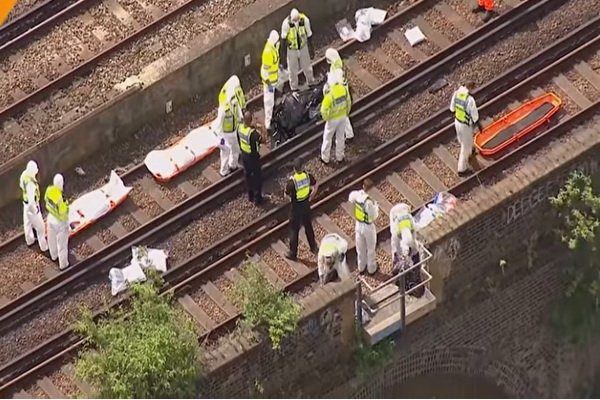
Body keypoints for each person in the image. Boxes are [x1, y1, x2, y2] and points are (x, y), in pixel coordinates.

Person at [285, 159, 318, 260]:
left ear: (294, 169)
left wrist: (290, 199)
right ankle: (313, 247)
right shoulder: (307, 176)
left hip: (296, 207)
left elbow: (286, 195)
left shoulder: (292, 181)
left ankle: (293, 253)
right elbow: (316, 185)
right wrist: (311, 196)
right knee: (308, 226)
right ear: (302, 167)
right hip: (306, 204)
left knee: (294, 230)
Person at [389, 202, 424, 297]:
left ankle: (409, 280)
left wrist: (413, 251)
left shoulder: (410, 222)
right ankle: (399, 281)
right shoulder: (396, 227)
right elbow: (396, 242)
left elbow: (412, 238)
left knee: (412, 255)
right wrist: (399, 254)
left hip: (407, 235)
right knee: (398, 258)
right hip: (395, 216)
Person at [215, 75, 246, 176]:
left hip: (233, 130)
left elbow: (238, 112)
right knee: (226, 151)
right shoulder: (223, 109)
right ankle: (223, 170)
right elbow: (218, 126)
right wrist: (221, 139)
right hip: (225, 133)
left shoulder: (234, 103)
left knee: (235, 147)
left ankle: (233, 165)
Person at [320, 70, 352, 164]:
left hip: (332, 119)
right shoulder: (343, 89)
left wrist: (327, 118)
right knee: (340, 137)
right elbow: (348, 102)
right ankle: (340, 157)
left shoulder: (330, 94)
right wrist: (346, 112)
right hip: (342, 117)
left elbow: (324, 110)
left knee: (327, 138)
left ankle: (325, 158)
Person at [348, 179, 379, 275]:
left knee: (360, 247)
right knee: (370, 248)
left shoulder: (356, 195)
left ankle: (361, 267)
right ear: (371, 189)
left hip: (358, 224)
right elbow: (373, 216)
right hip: (368, 227)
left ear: (363, 186)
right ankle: (371, 269)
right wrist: (376, 207)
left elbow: (350, 199)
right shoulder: (368, 202)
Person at [449, 83, 480, 176]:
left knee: (463, 141)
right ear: (470, 88)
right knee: (465, 146)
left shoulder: (456, 94)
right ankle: (462, 169)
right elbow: (475, 117)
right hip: (465, 125)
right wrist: (477, 124)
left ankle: (471, 150)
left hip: (457, 122)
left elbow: (452, 109)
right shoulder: (470, 100)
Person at [281, 8, 315, 91]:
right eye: (294, 20)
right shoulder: (286, 24)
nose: (295, 21)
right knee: (292, 70)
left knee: (307, 67)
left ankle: (311, 82)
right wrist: (283, 57)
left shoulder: (305, 20)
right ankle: (294, 88)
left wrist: (311, 50)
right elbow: (283, 41)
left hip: (303, 47)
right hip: (292, 50)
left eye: (296, 19)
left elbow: (309, 35)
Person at [19, 160, 48, 252]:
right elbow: (32, 200)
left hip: (25, 203)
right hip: (32, 206)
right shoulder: (31, 184)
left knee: (27, 223)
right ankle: (44, 247)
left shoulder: (24, 175)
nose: (37, 170)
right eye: (36, 169)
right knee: (40, 227)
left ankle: (29, 240)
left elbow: (21, 185)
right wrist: (35, 210)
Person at [237, 111, 264, 204]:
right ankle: (258, 199)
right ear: (250, 120)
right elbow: (263, 139)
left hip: (244, 155)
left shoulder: (239, 128)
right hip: (253, 157)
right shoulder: (252, 134)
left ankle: (250, 195)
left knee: (247, 175)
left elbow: (238, 140)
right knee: (257, 177)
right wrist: (261, 128)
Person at [44, 174, 69, 270]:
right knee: (62, 245)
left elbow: (46, 202)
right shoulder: (61, 198)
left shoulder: (49, 190)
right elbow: (63, 213)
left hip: (50, 218)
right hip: (59, 222)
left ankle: (53, 255)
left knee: (51, 239)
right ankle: (63, 264)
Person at [261, 30, 281, 132]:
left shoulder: (273, 47)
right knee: (269, 102)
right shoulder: (268, 52)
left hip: (274, 79)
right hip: (270, 82)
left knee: (273, 99)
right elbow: (264, 71)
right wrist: (268, 83)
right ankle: (268, 123)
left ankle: (274, 111)